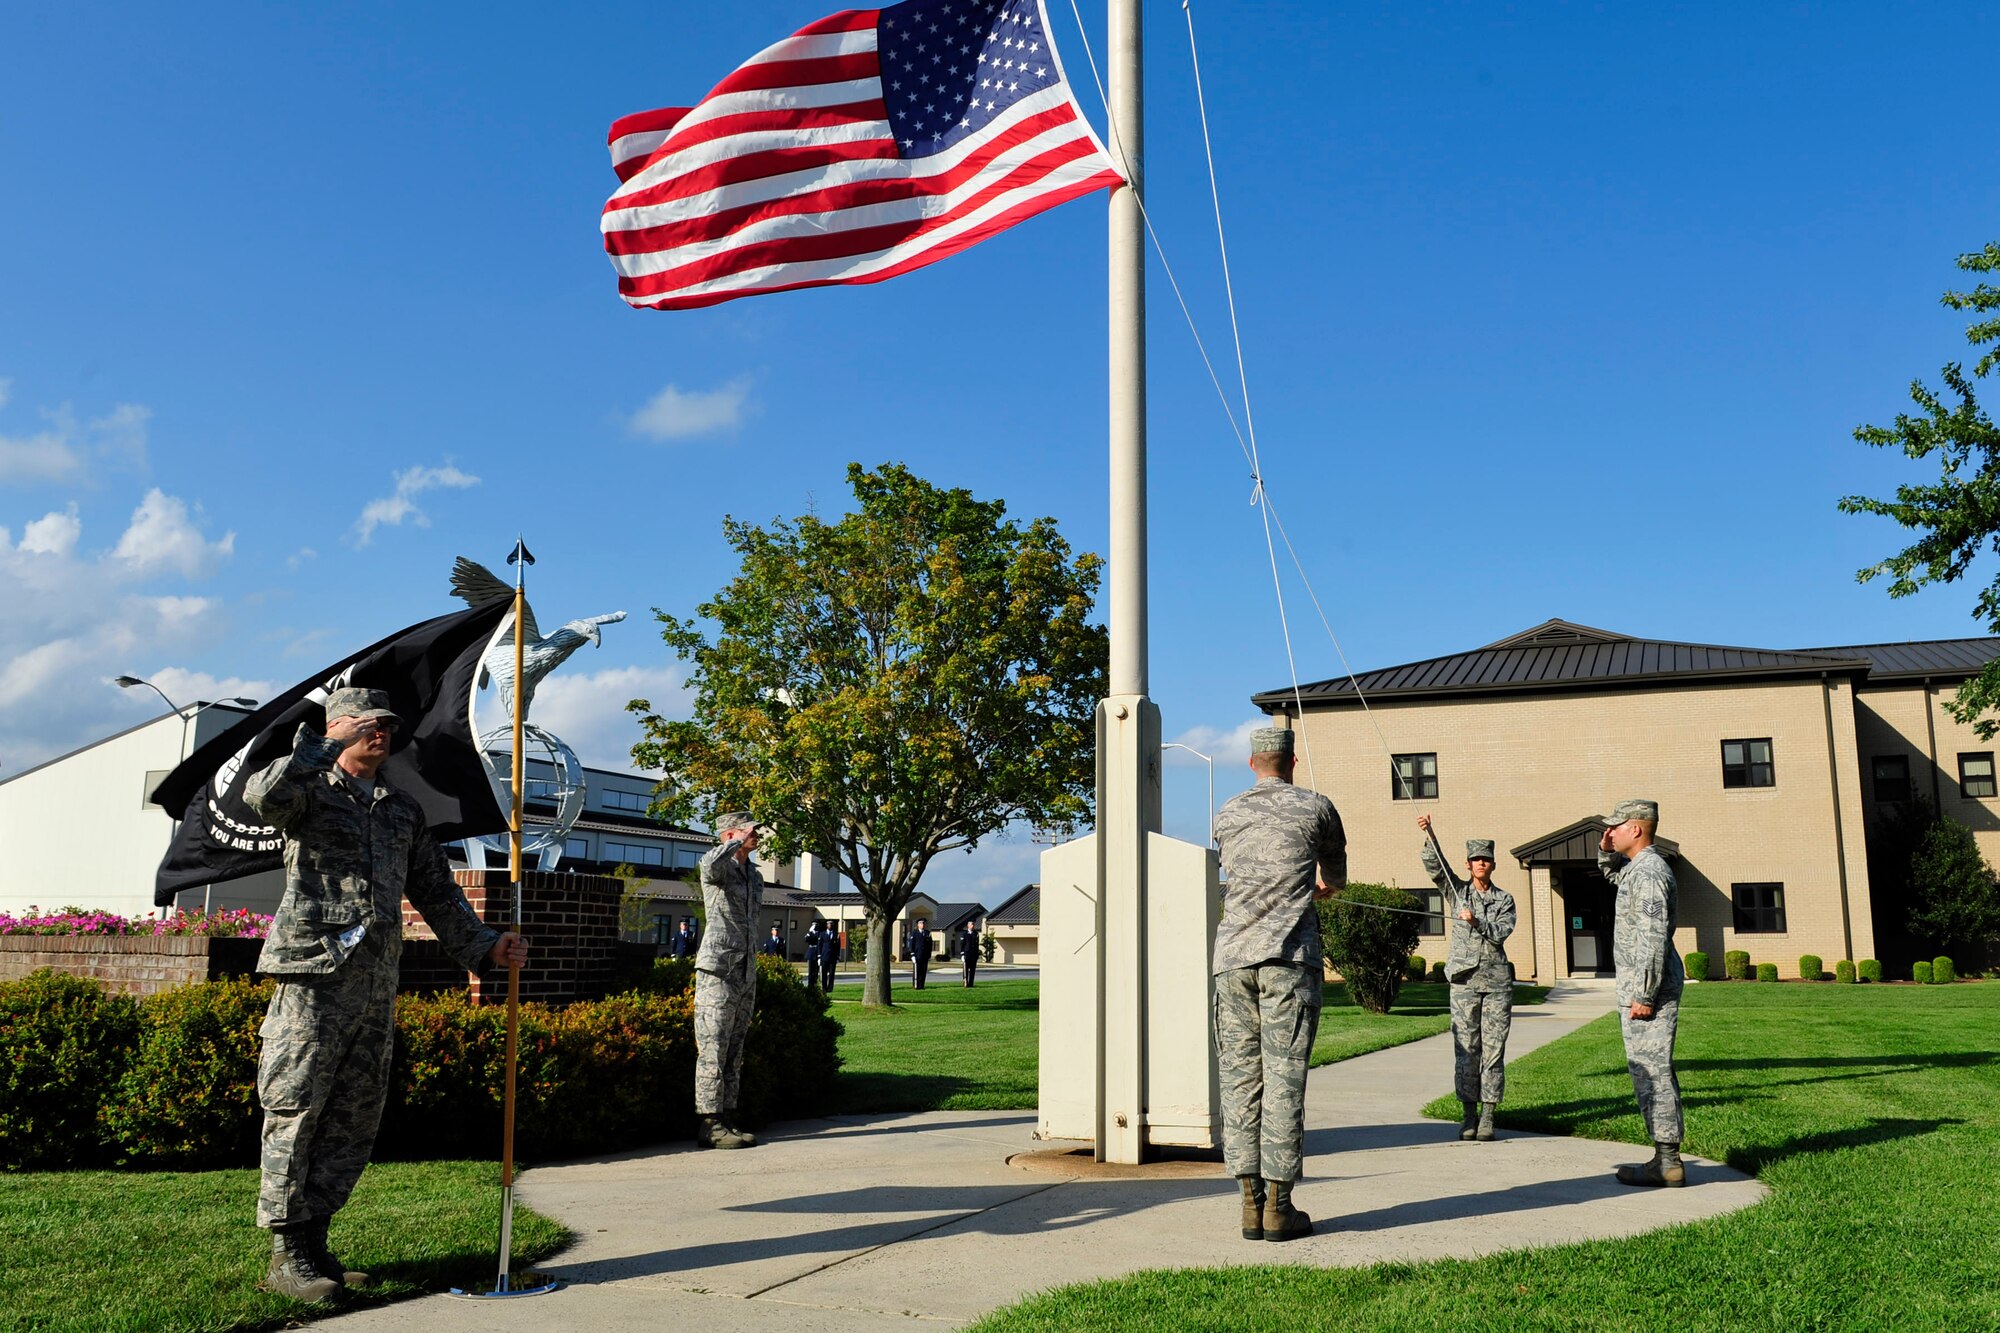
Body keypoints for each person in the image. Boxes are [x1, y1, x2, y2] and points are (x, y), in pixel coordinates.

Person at [245, 687, 528, 1304]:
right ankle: (286, 1250)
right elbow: (262, 797)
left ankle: (316, 1239)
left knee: (353, 1118)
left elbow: (435, 888)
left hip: (375, 984)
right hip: (314, 977)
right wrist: (319, 749)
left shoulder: (401, 810)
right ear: (338, 728)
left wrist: (484, 945)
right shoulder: (308, 792)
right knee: (295, 1109)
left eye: (389, 726)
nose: (384, 733)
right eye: (369, 723)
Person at [1212, 726, 1346, 1243]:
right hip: (1289, 960)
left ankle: (1249, 1203)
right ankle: (1279, 1207)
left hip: (1233, 962)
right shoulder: (1316, 807)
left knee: (1240, 1081)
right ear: (1292, 762)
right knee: (1284, 1080)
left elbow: (1234, 864)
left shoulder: (1227, 811)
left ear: (1251, 763)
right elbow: (1334, 874)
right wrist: (1323, 888)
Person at [1597, 798, 1686, 1187]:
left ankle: (1667, 1161)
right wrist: (1605, 852)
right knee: (1646, 1070)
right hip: (1642, 987)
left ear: (1636, 829)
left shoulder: (1649, 873)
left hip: (1648, 990)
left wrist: (1645, 995)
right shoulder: (1637, 870)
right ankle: (1664, 1157)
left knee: (1654, 1070)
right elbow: (1614, 876)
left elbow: (1652, 938)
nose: (1610, 832)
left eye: (1615, 827)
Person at [1417, 816, 1518, 1143]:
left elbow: (1501, 933)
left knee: (1493, 1050)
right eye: (1475, 859)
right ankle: (1469, 1116)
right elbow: (1437, 868)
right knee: (1466, 1049)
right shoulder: (1456, 892)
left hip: (1496, 984)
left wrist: (1476, 922)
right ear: (1468, 863)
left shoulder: (1504, 900)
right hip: (1464, 982)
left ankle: (1489, 1115)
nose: (1480, 864)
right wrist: (1430, 834)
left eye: (1485, 859)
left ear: (1492, 865)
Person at [694, 813, 765, 1150]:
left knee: (734, 1050)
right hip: (718, 972)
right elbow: (708, 865)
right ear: (730, 835)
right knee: (713, 1048)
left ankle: (728, 1117)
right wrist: (734, 840)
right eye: (750, 830)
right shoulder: (718, 868)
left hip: (744, 971)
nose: (757, 835)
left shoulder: (754, 875)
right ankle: (710, 1122)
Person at [909, 919, 932, 989]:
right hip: (917, 955)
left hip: (925, 955)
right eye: (921, 923)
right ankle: (916, 985)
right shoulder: (914, 933)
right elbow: (911, 944)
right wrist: (912, 954)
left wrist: (929, 954)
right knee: (917, 971)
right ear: (918, 925)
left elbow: (930, 944)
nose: (923, 924)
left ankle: (922, 985)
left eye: (924, 923)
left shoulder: (927, 933)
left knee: (923, 970)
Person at [803, 921, 826, 990]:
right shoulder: (809, 933)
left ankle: (815, 984)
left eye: (815, 925)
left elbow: (819, 941)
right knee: (810, 970)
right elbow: (806, 940)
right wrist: (810, 932)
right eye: (813, 925)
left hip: (817, 952)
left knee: (816, 970)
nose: (815, 927)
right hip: (811, 952)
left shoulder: (820, 934)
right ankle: (810, 985)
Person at [958, 920, 980, 987]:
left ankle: (971, 984)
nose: (972, 926)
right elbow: (962, 944)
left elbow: (976, 944)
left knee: (972, 970)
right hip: (966, 954)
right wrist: (962, 954)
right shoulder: (964, 934)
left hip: (973, 955)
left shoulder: (975, 933)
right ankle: (965, 983)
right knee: (966, 970)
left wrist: (977, 954)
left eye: (973, 924)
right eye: (971, 924)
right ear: (968, 925)